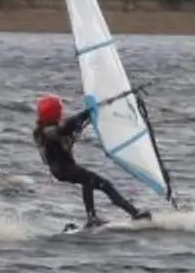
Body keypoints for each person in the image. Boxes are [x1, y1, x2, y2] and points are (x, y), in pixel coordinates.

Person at [33, 94, 151, 225]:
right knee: (87, 179)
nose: (62, 113)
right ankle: (91, 216)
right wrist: (84, 114)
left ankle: (134, 213)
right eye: (60, 111)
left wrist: (90, 112)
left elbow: (69, 125)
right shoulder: (43, 132)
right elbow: (66, 128)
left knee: (105, 184)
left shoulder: (53, 127)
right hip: (62, 169)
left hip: (67, 168)